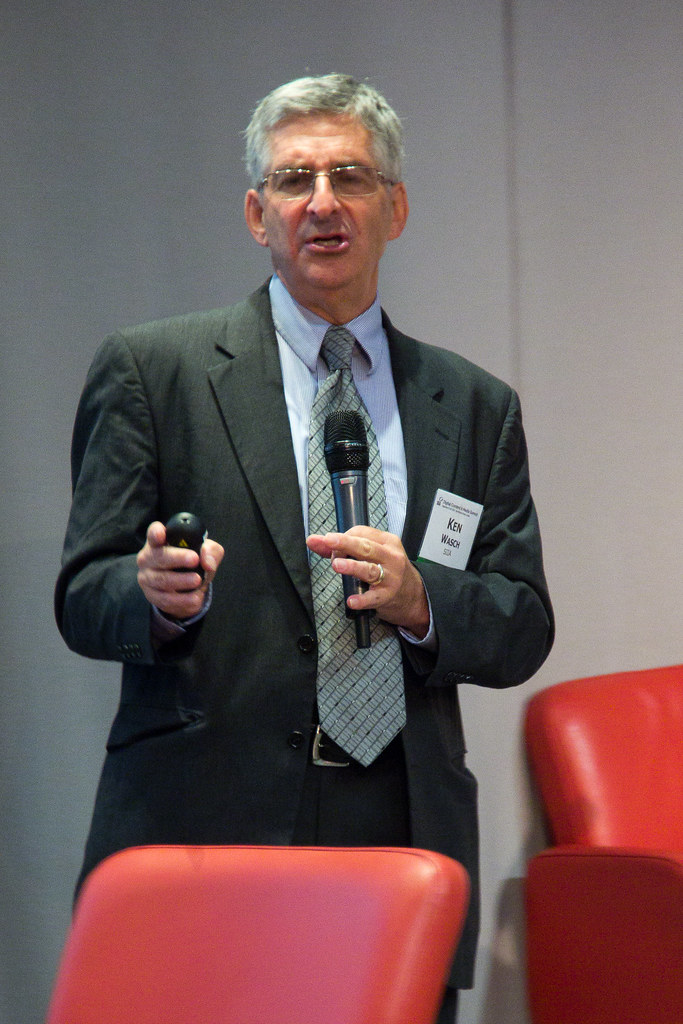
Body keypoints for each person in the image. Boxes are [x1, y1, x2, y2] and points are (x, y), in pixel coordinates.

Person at [55, 73, 553, 1022]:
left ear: (394, 207)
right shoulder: (155, 371)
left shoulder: (471, 404)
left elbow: (521, 623)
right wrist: (152, 595)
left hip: (400, 825)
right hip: (208, 824)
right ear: (258, 214)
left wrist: (421, 600)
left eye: (350, 176)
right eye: (294, 180)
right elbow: (85, 593)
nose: (322, 202)